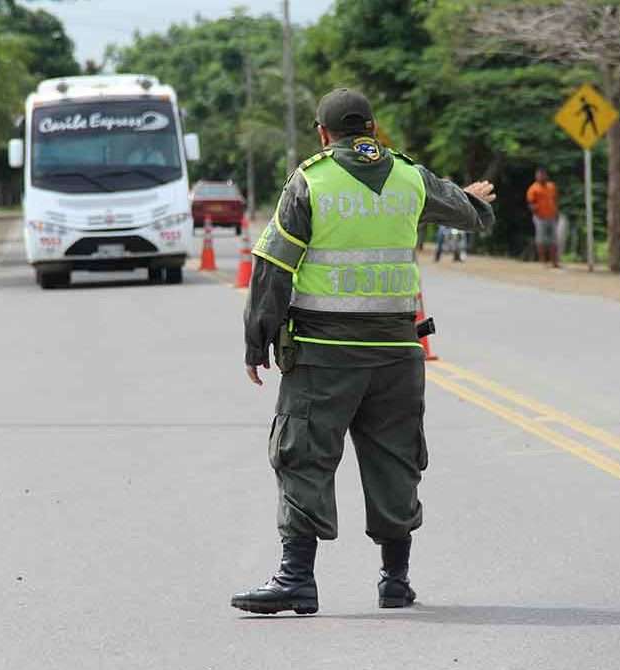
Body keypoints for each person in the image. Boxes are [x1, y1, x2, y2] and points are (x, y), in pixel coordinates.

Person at [234, 88, 495, 615]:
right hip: (397, 353)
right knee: (396, 459)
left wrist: (256, 340)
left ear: (323, 134)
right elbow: (475, 216)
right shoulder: (409, 177)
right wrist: (469, 200)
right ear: (373, 131)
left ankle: (296, 581)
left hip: (325, 354)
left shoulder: (311, 179)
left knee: (303, 456)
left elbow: (274, 265)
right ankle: (395, 581)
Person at [526, 167, 560, 268]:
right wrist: (535, 210)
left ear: (546, 175)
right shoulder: (533, 189)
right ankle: (543, 262)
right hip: (540, 218)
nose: (540, 176)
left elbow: (555, 200)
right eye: (538, 175)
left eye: (542, 174)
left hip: (552, 216)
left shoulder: (552, 186)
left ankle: (554, 262)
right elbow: (531, 203)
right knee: (541, 240)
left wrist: (556, 212)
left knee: (554, 239)